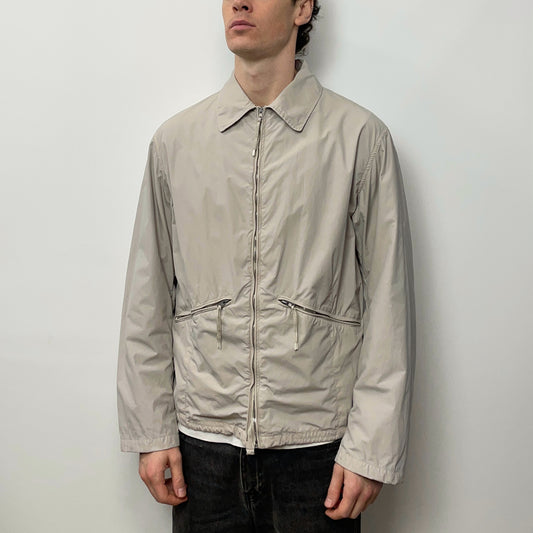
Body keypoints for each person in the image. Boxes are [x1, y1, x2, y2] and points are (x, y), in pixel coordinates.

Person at [117, 1, 415, 531]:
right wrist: (151, 430)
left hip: (318, 453)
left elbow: (389, 301)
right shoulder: (175, 143)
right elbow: (149, 295)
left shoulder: (359, 139)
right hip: (202, 451)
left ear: (302, 8)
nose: (238, 2)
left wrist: (371, 447)